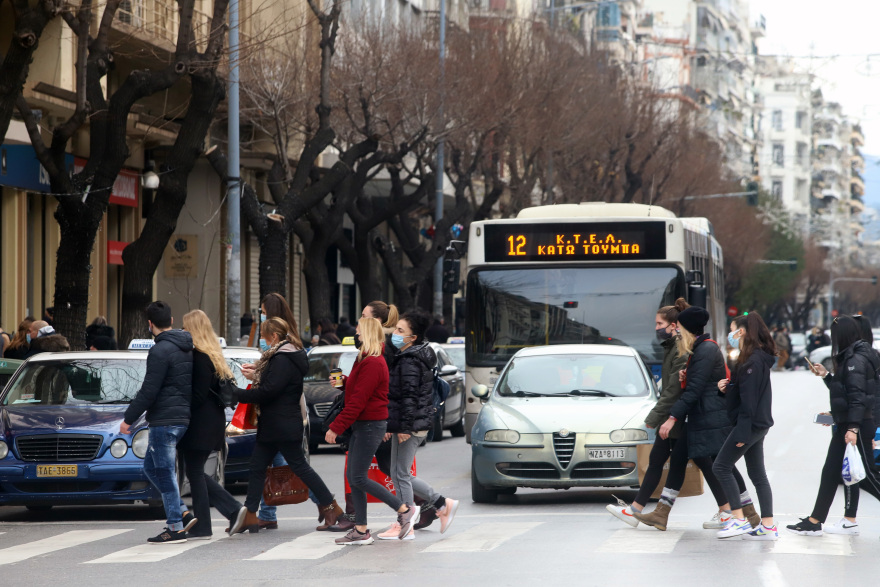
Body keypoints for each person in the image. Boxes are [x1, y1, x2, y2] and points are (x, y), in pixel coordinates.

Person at [608, 299, 744, 531]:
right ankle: (657, 512)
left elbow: (692, 390)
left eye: (666, 324)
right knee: (690, 462)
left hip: (701, 418)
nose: (672, 330)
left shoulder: (704, 349)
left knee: (720, 465)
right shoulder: (695, 348)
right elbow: (690, 386)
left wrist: (669, 417)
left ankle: (740, 514)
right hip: (695, 417)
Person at [228, 317, 343, 535]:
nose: (262, 340)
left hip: (281, 425)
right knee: (258, 467)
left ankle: (332, 508)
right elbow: (272, 384)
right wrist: (258, 374)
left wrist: (237, 393)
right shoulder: (284, 356)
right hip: (275, 424)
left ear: (274, 337)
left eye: (263, 336)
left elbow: (269, 391)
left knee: (299, 467)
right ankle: (251, 515)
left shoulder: (283, 358)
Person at [325, 317, 419, 545]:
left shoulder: (373, 362)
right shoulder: (364, 358)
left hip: (370, 425)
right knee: (354, 477)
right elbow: (359, 389)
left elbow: (357, 402)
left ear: (365, 333)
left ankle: (404, 509)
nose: (355, 334)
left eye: (358, 330)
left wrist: (335, 428)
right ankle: (361, 529)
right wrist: (344, 382)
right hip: (364, 425)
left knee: (357, 477)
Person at [788, 315, 880, 536]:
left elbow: (858, 399)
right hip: (848, 423)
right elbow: (846, 394)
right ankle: (815, 520)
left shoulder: (855, 360)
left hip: (855, 426)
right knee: (830, 472)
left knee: (867, 476)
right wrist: (826, 376)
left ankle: (822, 519)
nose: (833, 339)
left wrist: (853, 428)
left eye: (835, 335)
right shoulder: (852, 357)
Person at [376, 311, 459, 540]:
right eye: (396, 329)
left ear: (413, 337)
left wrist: (403, 427)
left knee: (400, 474)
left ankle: (406, 522)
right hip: (408, 423)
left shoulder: (411, 360)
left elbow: (410, 397)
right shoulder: (411, 355)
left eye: (401, 331)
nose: (395, 334)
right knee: (397, 472)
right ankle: (442, 504)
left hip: (410, 425)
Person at [244, 292, 323, 531]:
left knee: (290, 463)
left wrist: (255, 375)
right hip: (279, 414)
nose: (261, 314)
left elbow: (275, 380)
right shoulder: (284, 342)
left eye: (263, 311)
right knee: (274, 464)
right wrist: (258, 370)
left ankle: (327, 503)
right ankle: (265, 513)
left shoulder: (283, 345)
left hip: (281, 413)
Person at [120, 301, 196, 544]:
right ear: (171, 321)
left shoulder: (160, 350)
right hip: (181, 417)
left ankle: (174, 527)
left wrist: (129, 418)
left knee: (163, 471)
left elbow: (149, 390)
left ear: (150, 324)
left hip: (164, 419)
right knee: (151, 468)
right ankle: (183, 513)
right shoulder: (185, 347)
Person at [178, 310, 247, 539]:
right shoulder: (213, 354)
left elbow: (197, 396)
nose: (183, 331)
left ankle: (210, 522)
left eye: (185, 327)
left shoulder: (198, 356)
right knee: (196, 471)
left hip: (201, 423)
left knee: (195, 472)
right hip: (212, 420)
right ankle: (231, 511)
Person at [713, 313, 778, 540]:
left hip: (750, 424)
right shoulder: (755, 358)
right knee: (757, 473)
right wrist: (728, 388)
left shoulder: (751, 361)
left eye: (732, 330)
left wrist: (742, 432)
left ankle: (739, 519)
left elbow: (749, 401)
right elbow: (746, 393)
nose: (730, 334)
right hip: (758, 424)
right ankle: (768, 525)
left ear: (741, 332)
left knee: (721, 466)